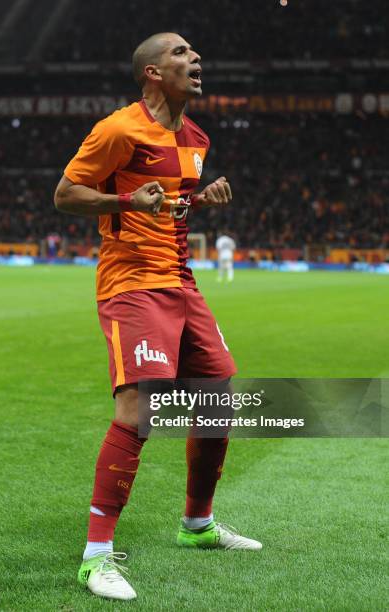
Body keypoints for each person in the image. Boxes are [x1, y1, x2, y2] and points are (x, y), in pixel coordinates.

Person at [54, 32, 262, 602]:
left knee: (219, 391)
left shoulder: (197, 138)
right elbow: (66, 194)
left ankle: (197, 525)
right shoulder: (119, 129)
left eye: (194, 54)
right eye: (180, 53)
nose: (195, 59)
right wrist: (125, 202)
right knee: (139, 408)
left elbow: (171, 204)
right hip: (132, 282)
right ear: (151, 72)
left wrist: (202, 198)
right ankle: (96, 556)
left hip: (182, 280)